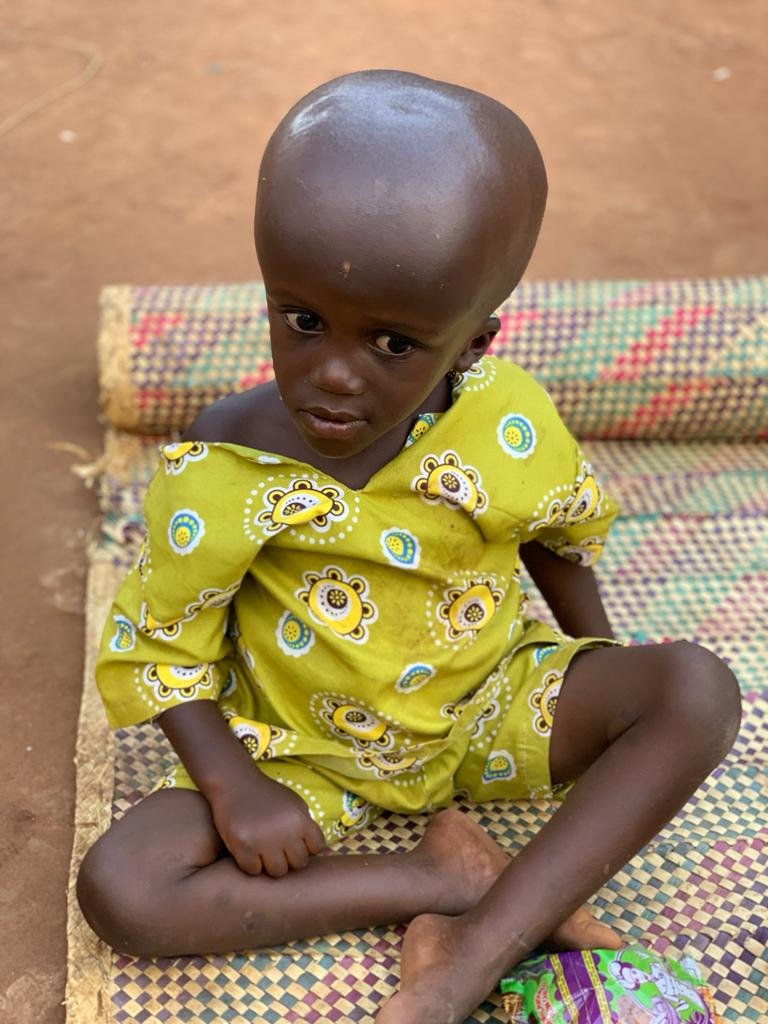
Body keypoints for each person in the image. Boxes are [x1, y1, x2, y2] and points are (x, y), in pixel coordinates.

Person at [76, 70, 741, 1024]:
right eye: (302, 321)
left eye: (393, 344)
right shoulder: (221, 470)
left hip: (486, 706)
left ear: (473, 342)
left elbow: (556, 531)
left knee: (695, 691)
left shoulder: (503, 419)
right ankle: (444, 884)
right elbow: (162, 645)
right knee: (125, 892)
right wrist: (235, 788)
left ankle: (467, 962)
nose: (333, 376)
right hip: (299, 745)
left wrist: (610, 669)